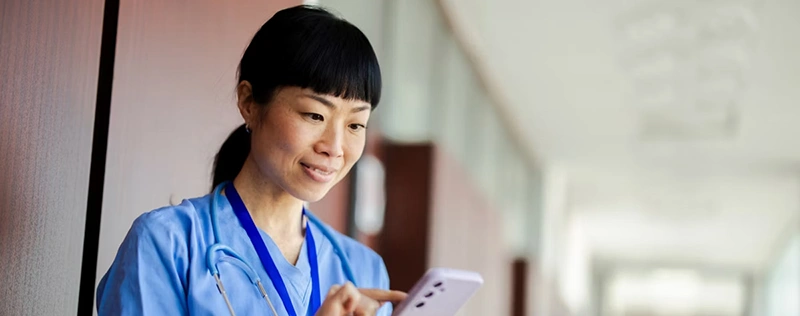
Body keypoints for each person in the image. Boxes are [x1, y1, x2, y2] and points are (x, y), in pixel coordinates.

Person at [96, 5, 406, 316]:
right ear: (248, 102)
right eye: (314, 115)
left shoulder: (363, 269)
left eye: (355, 125)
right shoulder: (167, 243)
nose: (335, 147)